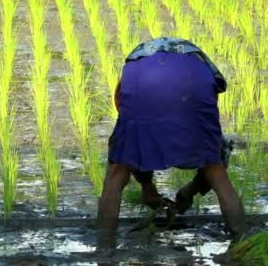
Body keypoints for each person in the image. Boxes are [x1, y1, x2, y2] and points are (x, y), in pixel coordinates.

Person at [97, 37, 246, 247]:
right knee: (216, 171)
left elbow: (134, 137)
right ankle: (242, 241)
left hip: (141, 84)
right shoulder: (199, 63)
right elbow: (209, 130)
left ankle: (104, 247)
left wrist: (148, 186)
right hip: (195, 88)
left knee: (116, 172)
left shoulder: (137, 65)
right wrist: (191, 190)